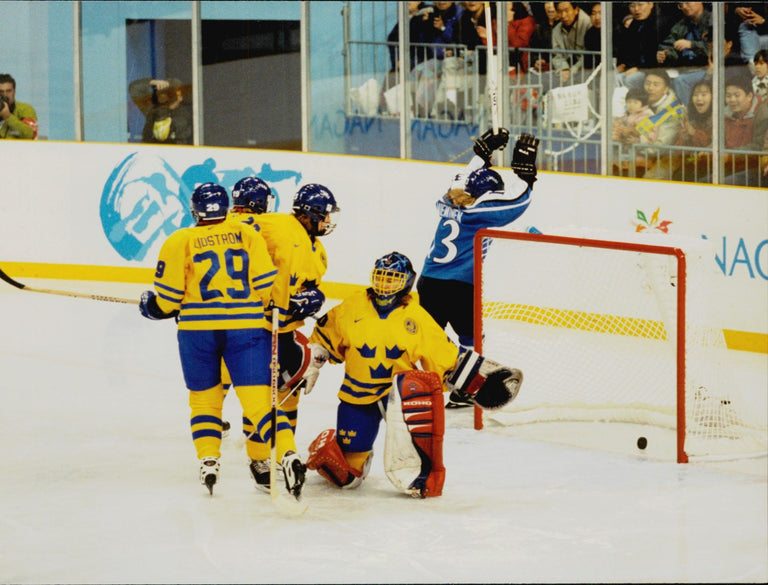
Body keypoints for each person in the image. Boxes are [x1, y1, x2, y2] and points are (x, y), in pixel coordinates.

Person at [300, 252, 523, 498]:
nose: (385, 284)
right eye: (381, 277)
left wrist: (478, 381)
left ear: (406, 281)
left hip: (398, 396)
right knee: (347, 478)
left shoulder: (416, 316)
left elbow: (444, 355)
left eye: (392, 279)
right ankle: (345, 447)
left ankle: (417, 472)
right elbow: (324, 339)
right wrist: (311, 364)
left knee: (416, 458)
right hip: (356, 395)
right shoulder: (352, 306)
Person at [138, 182, 306, 499]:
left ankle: (209, 460)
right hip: (246, 329)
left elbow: (169, 299)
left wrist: (151, 307)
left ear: (194, 211)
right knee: (258, 402)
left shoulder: (179, 241)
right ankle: (287, 453)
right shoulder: (248, 236)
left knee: (205, 400)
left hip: (197, 331)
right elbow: (265, 284)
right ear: (227, 207)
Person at [226, 177, 339, 493]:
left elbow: (309, 286)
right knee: (260, 394)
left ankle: (284, 451)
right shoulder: (281, 226)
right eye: (324, 214)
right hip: (254, 327)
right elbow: (246, 225)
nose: (329, 221)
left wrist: (307, 299)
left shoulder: (315, 247)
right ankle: (259, 457)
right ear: (306, 214)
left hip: (284, 329)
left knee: (291, 385)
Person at [417, 128, 539, 408]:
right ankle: (463, 391)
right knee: (472, 338)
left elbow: (460, 179)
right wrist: (526, 175)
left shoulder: (448, 199)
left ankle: (420, 389)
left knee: (428, 337)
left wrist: (481, 155)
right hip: (459, 285)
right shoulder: (478, 213)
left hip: (429, 281)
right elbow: (519, 201)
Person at [644, 79, 712, 181]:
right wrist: (684, 138)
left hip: (706, 165)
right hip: (686, 161)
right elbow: (679, 150)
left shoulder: (719, 118)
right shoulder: (689, 116)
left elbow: (712, 144)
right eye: (696, 95)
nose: (699, 98)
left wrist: (694, 133)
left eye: (703, 95)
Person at [656, 2, 711, 107]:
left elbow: (718, 48)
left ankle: (687, 115)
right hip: (685, 67)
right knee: (659, 78)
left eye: (687, 3)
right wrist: (664, 53)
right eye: (681, 5)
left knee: (681, 81)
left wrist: (692, 45)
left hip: (707, 67)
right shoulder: (682, 24)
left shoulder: (712, 20)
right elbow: (668, 44)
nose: (684, 7)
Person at [722, 72, 768, 184]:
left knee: (725, 183)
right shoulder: (724, 113)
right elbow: (719, 139)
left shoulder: (762, 114)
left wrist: (731, 154)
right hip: (729, 165)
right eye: (728, 96)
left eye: (737, 95)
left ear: (749, 96)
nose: (732, 100)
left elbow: (758, 145)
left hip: (753, 169)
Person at [615, 2, 673, 91]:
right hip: (638, 67)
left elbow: (658, 54)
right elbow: (629, 50)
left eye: (640, 5)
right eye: (632, 6)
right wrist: (625, 65)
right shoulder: (634, 24)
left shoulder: (661, 23)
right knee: (614, 78)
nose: (636, 9)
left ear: (650, 4)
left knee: (631, 79)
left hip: (655, 70)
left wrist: (638, 68)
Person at [128, 77, 192, 144]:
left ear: (180, 97)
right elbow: (134, 89)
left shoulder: (182, 114)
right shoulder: (153, 106)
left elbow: (178, 138)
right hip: (148, 150)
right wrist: (153, 82)